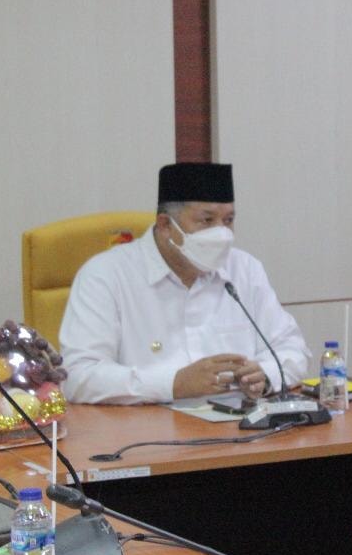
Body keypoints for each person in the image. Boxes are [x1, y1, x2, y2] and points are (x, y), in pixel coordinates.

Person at [60, 162, 311, 404]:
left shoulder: (244, 269)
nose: (222, 233)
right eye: (207, 221)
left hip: (238, 424)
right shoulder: (106, 275)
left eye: (228, 220)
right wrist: (174, 384)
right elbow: (79, 376)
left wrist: (265, 375)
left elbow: (292, 349)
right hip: (147, 427)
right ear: (165, 225)